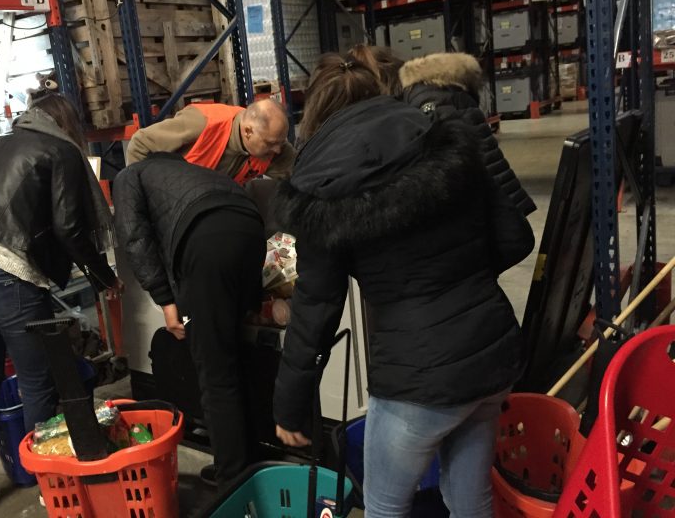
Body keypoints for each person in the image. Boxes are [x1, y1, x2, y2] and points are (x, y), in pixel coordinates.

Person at [272, 53, 535, 517]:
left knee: (384, 507)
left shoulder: (320, 187)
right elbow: (515, 238)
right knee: (470, 500)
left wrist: (290, 406)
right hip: (492, 353)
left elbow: (316, 308)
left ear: (314, 112)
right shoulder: (445, 134)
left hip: (417, 380)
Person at [0, 94, 121, 518]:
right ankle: (51, 486)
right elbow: (69, 228)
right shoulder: (61, 150)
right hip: (6, 274)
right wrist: (105, 278)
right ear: (66, 122)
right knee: (37, 382)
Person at [113, 153, 266, 490]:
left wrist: (166, 301)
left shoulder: (129, 176)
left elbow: (135, 239)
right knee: (237, 352)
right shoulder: (191, 170)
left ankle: (233, 479)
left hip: (207, 242)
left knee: (215, 372)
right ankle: (252, 457)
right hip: (252, 229)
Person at [399, 51, 537, 216]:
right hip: (490, 200)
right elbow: (487, 154)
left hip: (477, 205)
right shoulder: (452, 94)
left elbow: (477, 155)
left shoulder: (434, 98)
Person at [125, 99, 296, 182]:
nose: (277, 150)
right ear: (248, 132)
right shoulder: (202, 124)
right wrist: (144, 201)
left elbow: (301, 175)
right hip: (176, 204)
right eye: (271, 143)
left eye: (280, 143)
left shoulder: (274, 144)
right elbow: (140, 144)